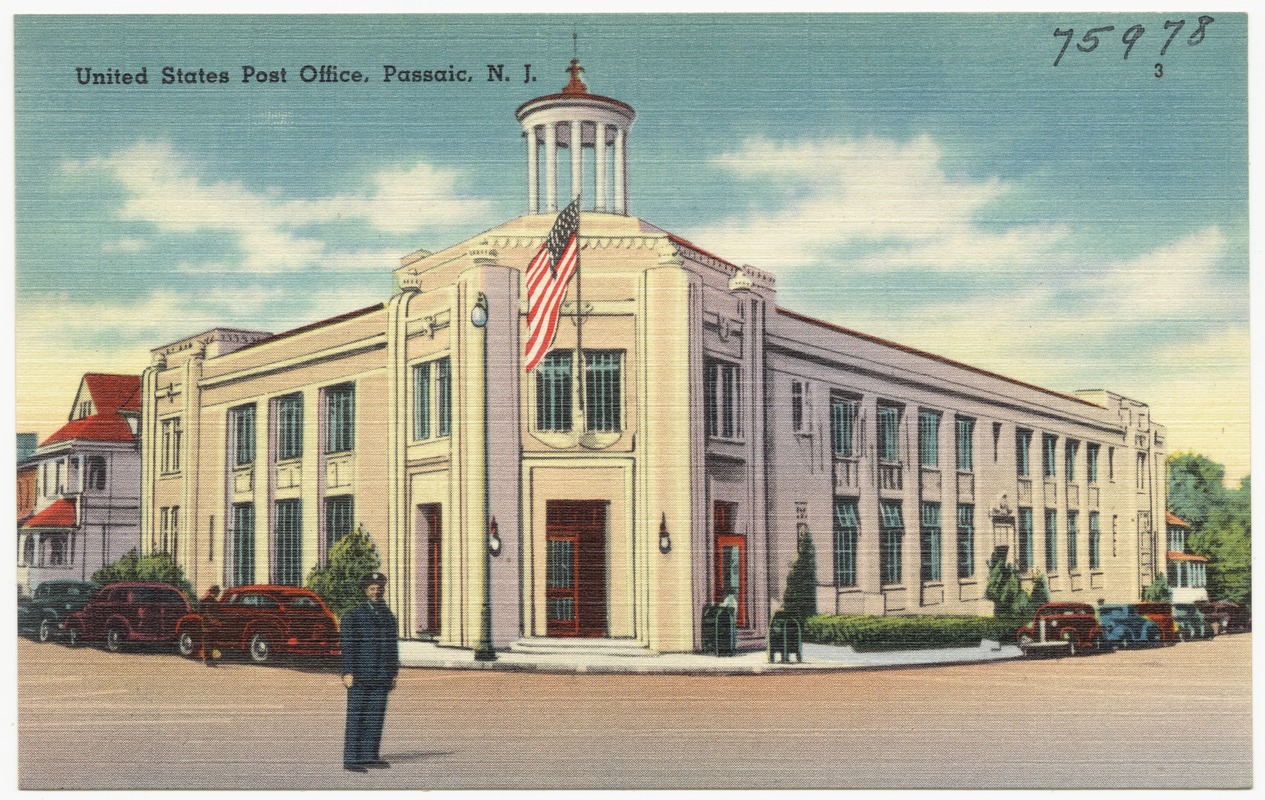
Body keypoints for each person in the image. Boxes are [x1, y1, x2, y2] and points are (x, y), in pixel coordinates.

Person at [341, 572, 399, 772]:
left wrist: (393, 673)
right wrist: (347, 671)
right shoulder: (354, 616)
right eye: (373, 589)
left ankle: (369, 755)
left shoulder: (388, 616)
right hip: (360, 674)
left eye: (379, 589)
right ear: (366, 591)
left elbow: (392, 647)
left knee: (375, 716)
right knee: (357, 716)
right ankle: (351, 759)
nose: (376, 592)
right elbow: (348, 646)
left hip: (382, 674)